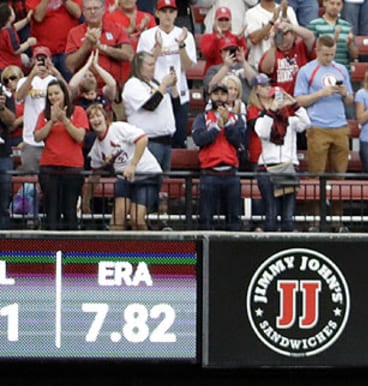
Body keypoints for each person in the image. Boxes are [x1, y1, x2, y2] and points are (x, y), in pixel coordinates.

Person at [293, 34, 350, 229]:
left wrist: (344, 94)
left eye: (332, 54)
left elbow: (350, 100)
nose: (329, 58)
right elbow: (298, 100)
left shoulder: (341, 69)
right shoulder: (306, 71)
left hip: (340, 125)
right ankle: (314, 219)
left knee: (340, 177)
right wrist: (320, 93)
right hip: (317, 126)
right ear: (317, 50)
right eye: (326, 54)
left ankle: (337, 219)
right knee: (316, 175)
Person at [84, 103, 160, 230]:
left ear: (105, 117)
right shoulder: (96, 148)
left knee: (136, 219)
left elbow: (142, 139)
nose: (96, 120)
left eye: (98, 116)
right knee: (116, 222)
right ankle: (116, 249)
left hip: (147, 175)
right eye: (92, 118)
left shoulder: (118, 128)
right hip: (124, 179)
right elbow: (95, 175)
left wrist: (133, 165)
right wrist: (86, 200)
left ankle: (147, 248)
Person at [250, 75, 308, 231]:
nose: (277, 101)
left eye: (279, 98)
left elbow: (306, 123)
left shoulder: (291, 122)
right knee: (271, 211)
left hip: (289, 166)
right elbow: (262, 132)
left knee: (288, 214)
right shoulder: (262, 119)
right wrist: (271, 111)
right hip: (268, 168)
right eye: (273, 98)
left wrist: (294, 104)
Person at [136, 0, 195, 149]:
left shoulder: (185, 34)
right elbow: (140, 68)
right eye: (164, 11)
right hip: (156, 92)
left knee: (179, 139)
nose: (167, 15)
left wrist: (181, 45)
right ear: (157, 13)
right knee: (157, 140)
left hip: (179, 92)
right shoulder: (147, 36)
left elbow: (188, 66)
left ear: (176, 13)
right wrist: (156, 51)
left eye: (171, 11)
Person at [191, 80, 247, 231]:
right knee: (206, 218)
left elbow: (240, 141)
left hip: (231, 174)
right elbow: (199, 139)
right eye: (216, 94)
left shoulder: (236, 118)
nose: (220, 97)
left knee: (234, 218)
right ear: (210, 96)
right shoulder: (202, 118)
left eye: (223, 94)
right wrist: (216, 127)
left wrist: (228, 123)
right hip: (209, 173)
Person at [31, 79, 84, 230]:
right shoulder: (44, 114)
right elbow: (38, 136)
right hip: (49, 168)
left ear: (64, 94)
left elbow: (80, 136)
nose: (53, 97)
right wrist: (51, 121)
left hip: (72, 168)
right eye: (50, 94)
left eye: (56, 93)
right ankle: (51, 248)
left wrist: (64, 120)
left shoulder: (78, 111)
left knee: (69, 210)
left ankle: (72, 249)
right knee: (51, 211)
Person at [66, 0, 132, 89]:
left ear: (103, 10)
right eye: (89, 9)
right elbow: (70, 65)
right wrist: (86, 46)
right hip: (84, 89)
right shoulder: (74, 33)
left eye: (96, 8)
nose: (92, 12)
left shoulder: (116, 29)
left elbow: (128, 55)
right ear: (83, 12)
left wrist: (102, 47)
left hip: (112, 87)